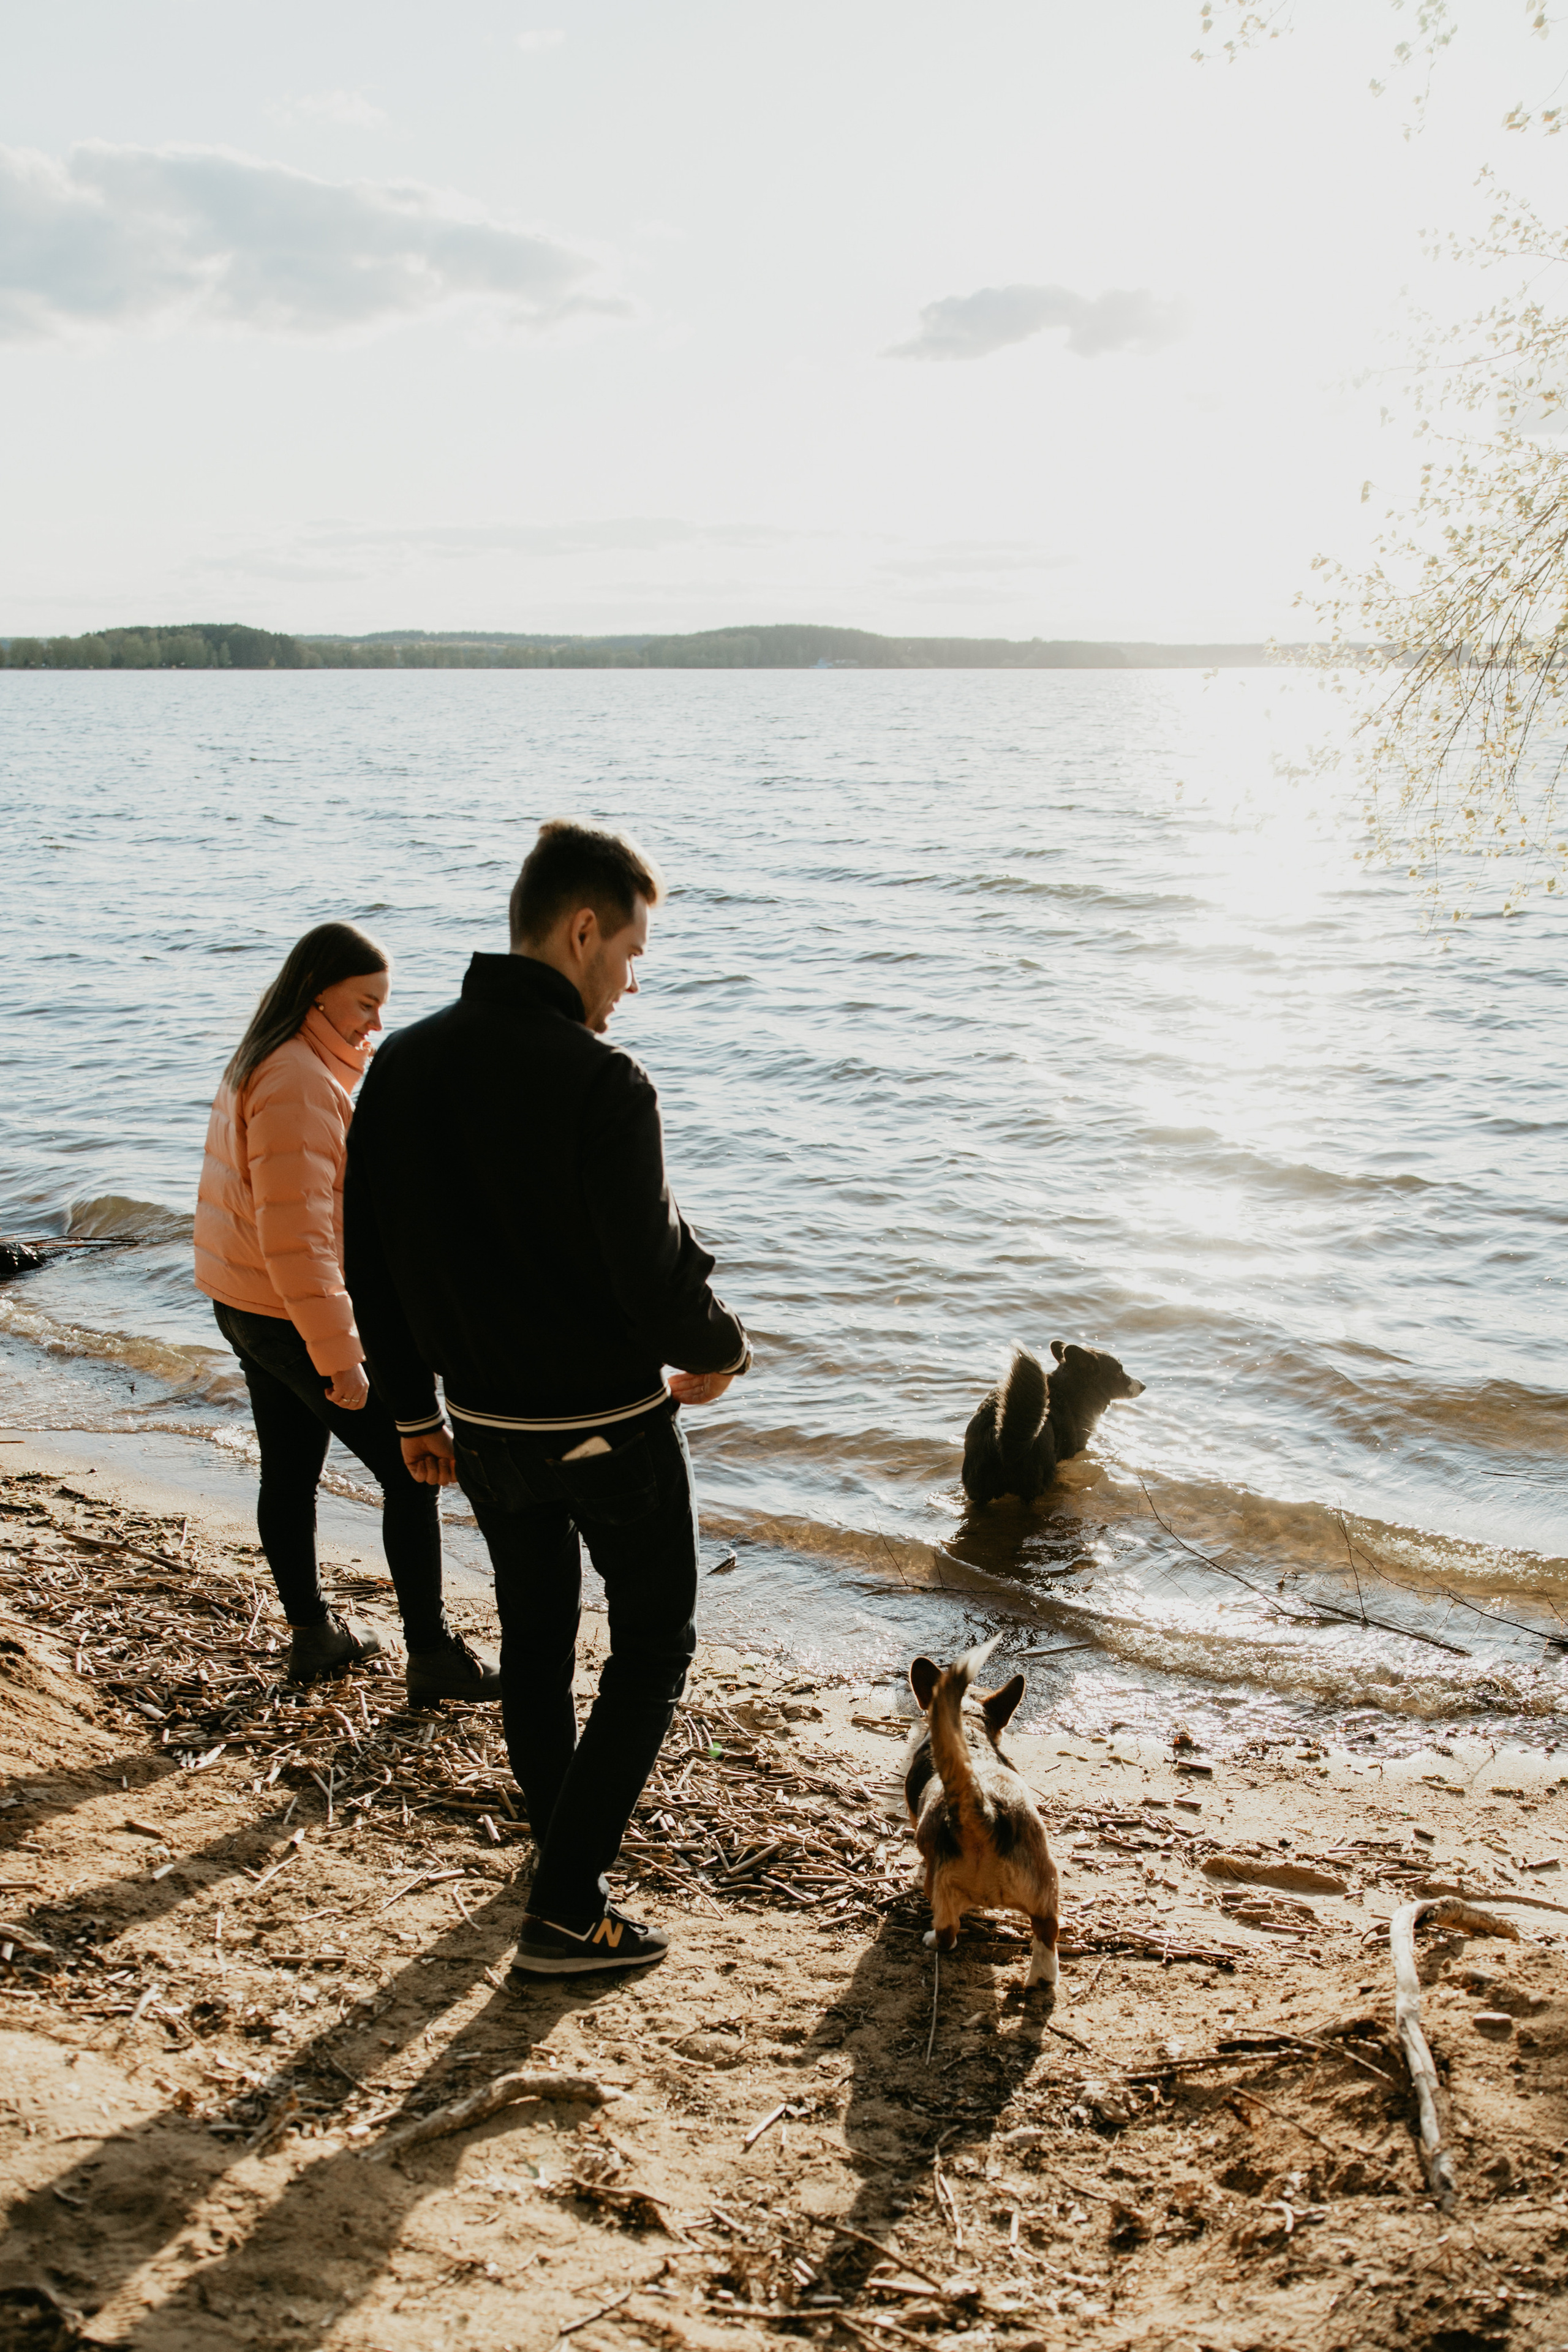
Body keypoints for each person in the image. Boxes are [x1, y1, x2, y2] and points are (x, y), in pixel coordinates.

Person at [344, 823, 750, 1977]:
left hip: (484, 1427)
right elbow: (648, 1269)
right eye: (629, 953)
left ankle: (558, 1853)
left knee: (536, 1634)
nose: (628, 983)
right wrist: (719, 1348)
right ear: (582, 930)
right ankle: (568, 1905)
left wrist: (413, 1412)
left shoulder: (405, 1065)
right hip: (610, 1431)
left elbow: (370, 1259)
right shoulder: (603, 1081)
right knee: (653, 1645)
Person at [195, 921, 500, 1701]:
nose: (375, 1023)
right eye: (366, 1004)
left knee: (290, 1471)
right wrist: (341, 1356)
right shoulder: (298, 1079)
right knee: (412, 1472)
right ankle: (430, 1656)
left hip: (247, 1304)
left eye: (381, 1007)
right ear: (319, 991)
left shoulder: (273, 1058)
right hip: (289, 1316)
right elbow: (296, 1236)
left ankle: (313, 1636)